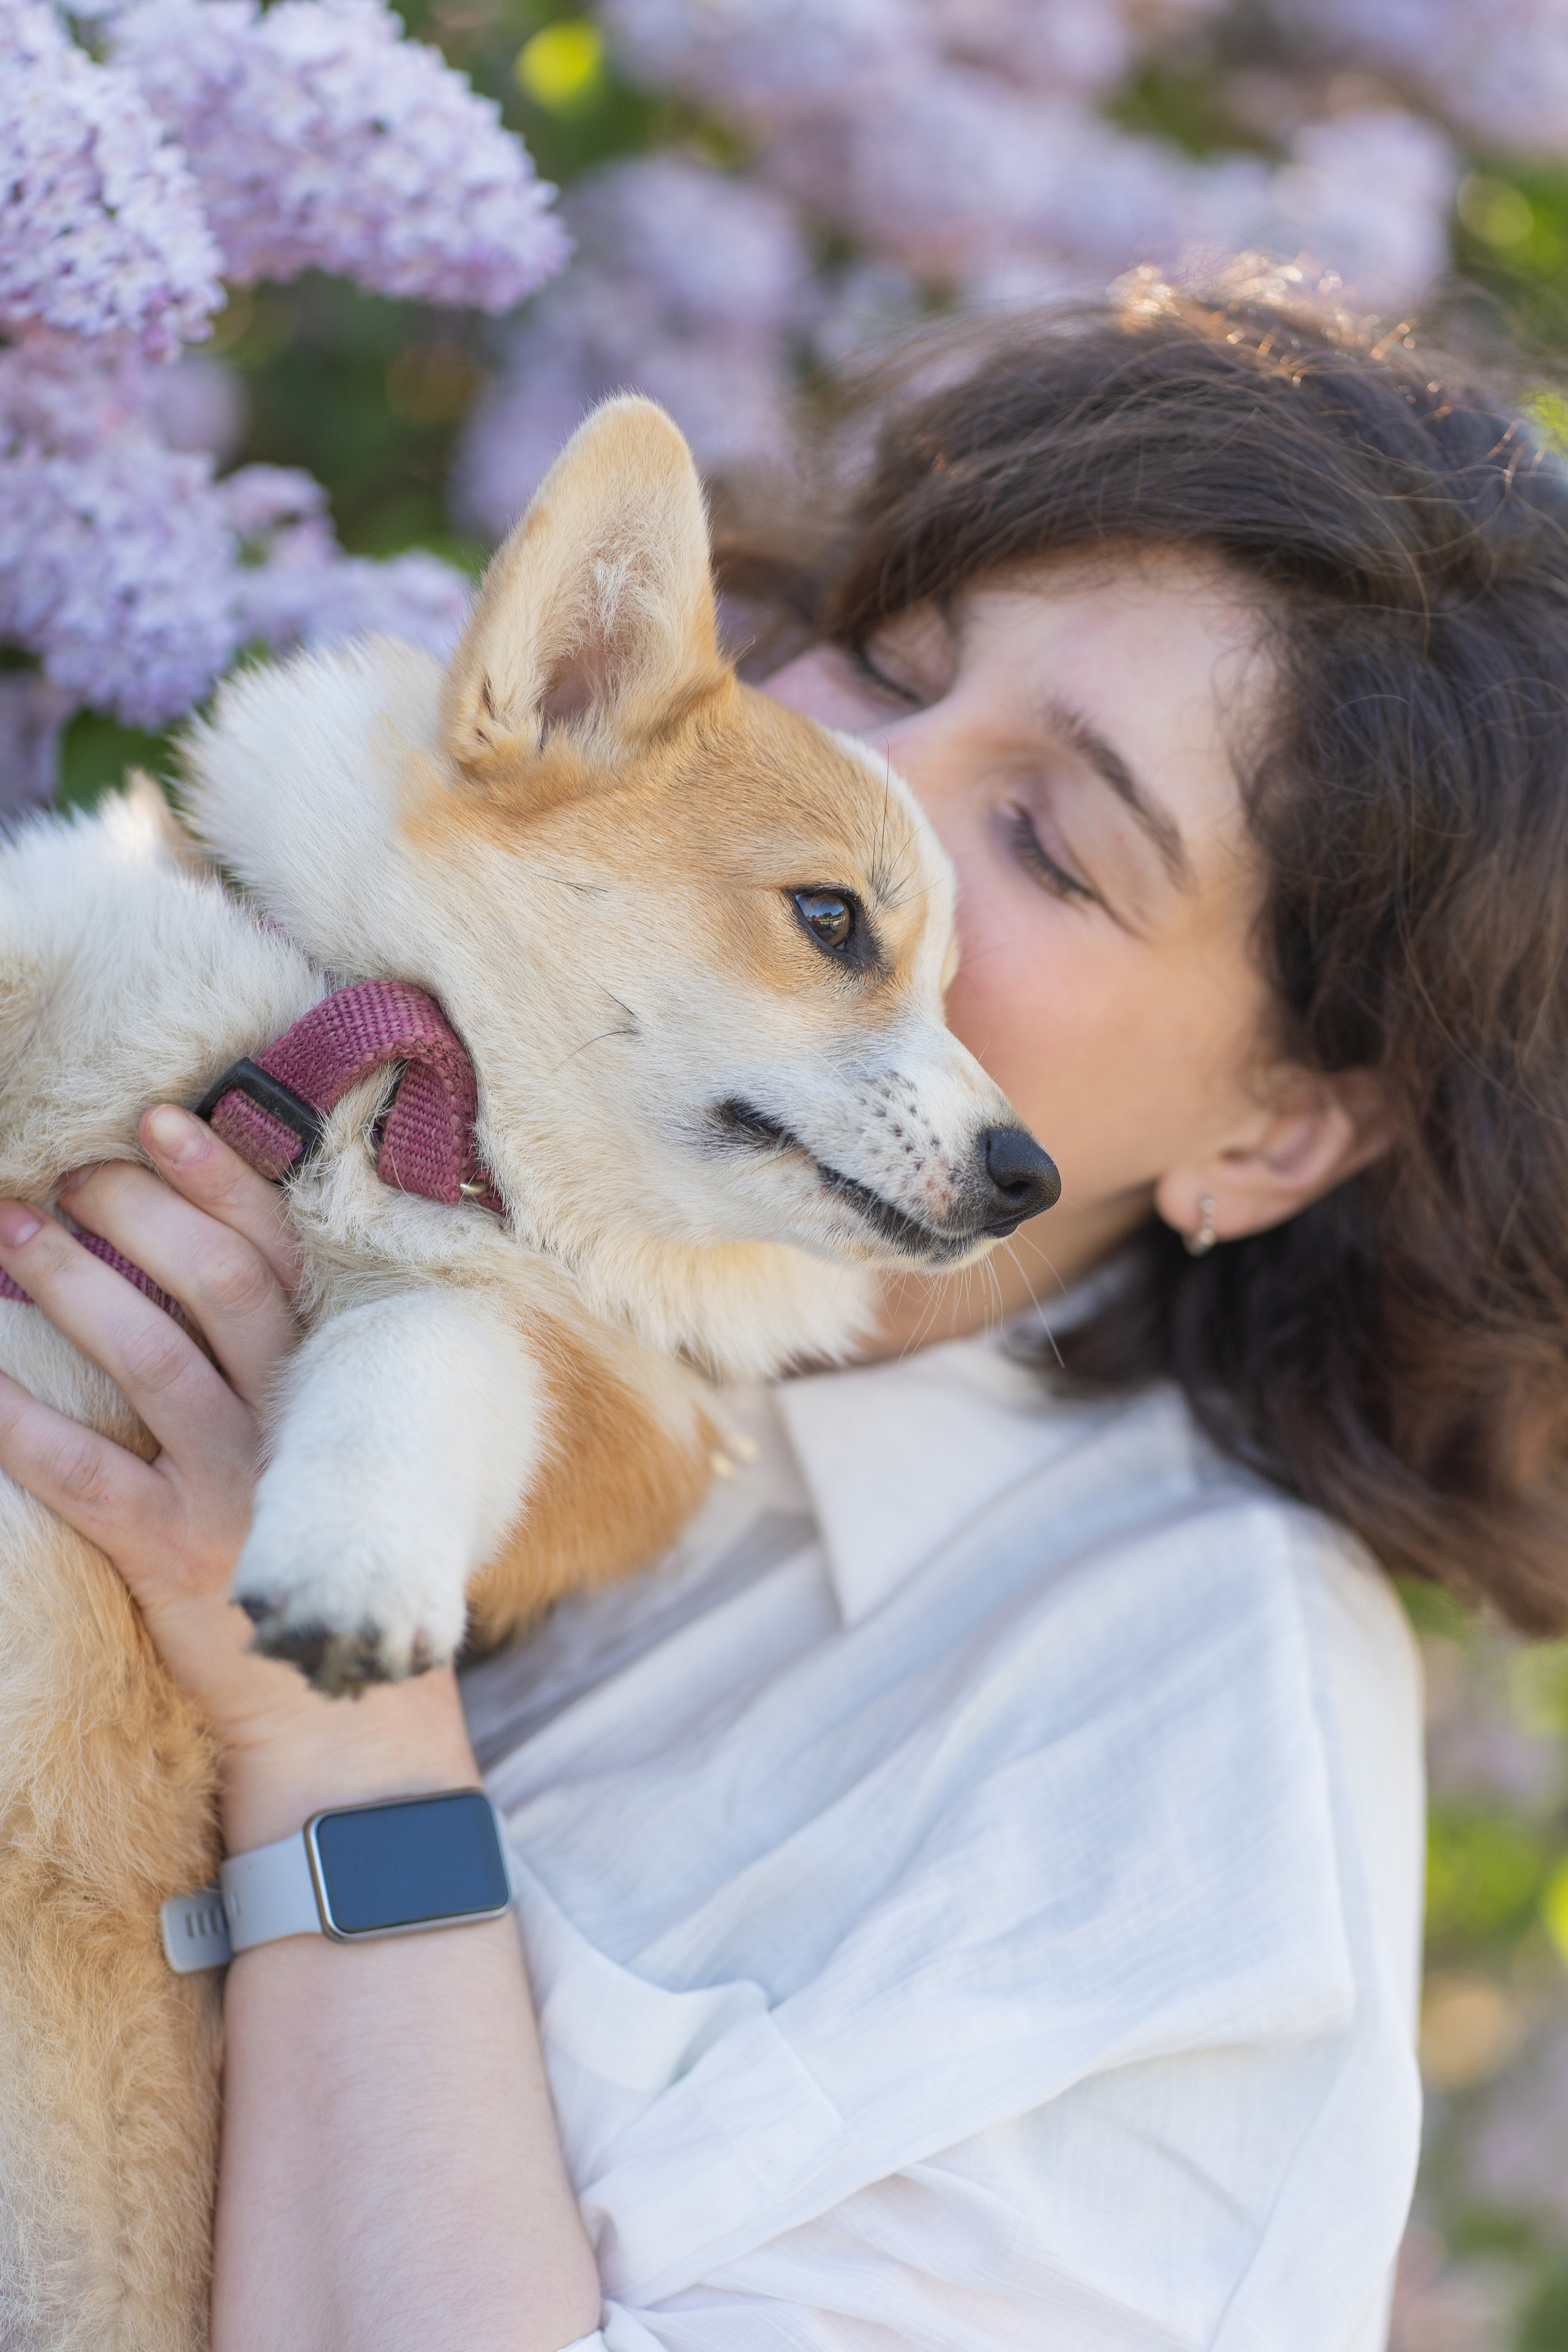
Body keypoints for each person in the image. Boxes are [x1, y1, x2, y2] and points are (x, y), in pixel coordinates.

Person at [1, 263, 1566, 2352]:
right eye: (884, 656)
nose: (858, 780)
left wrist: (329, 1722)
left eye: (1047, 838)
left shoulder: (1183, 1790)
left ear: (1282, 1132)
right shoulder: (386, 1090)